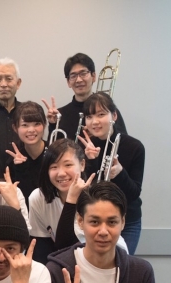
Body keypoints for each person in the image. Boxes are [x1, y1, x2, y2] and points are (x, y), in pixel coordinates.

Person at [28, 139, 128, 263]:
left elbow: (67, 246)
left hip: (109, 258)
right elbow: (41, 250)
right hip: (66, 264)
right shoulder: (38, 198)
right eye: (54, 167)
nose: (61, 173)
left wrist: (71, 201)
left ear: (82, 165)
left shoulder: (95, 197)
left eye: (68, 165)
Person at [80, 92, 145, 254]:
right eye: (89, 117)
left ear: (114, 116)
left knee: (122, 264)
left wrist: (120, 173)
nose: (95, 121)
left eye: (101, 114)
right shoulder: (85, 147)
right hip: (95, 219)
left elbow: (134, 193)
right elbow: (85, 191)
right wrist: (90, 162)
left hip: (127, 221)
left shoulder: (134, 147)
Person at [42, 52, 128, 141]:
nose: (79, 80)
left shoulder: (107, 110)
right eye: (73, 76)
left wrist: (101, 133)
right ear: (68, 82)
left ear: (93, 76)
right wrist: (53, 124)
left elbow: (123, 142)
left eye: (83, 73)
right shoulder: (60, 115)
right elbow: (54, 148)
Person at [5, 101, 47, 202]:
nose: (31, 130)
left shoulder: (55, 154)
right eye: (25, 125)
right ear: (15, 128)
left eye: (37, 124)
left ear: (44, 125)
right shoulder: (13, 162)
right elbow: (19, 199)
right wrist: (20, 169)